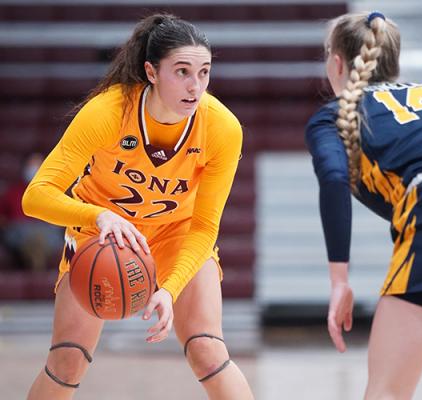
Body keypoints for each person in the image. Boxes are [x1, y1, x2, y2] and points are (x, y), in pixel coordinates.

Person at [22, 13, 254, 400]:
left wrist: (170, 287)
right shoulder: (108, 112)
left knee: (207, 350)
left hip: (176, 235)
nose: (195, 87)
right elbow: (36, 196)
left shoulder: (222, 129)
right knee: (67, 361)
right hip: (101, 237)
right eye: (182, 71)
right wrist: (98, 215)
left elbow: (204, 226)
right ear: (151, 70)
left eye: (204, 72)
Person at [305, 11, 422, 399]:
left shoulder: (333, 117)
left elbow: (334, 179)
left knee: (387, 392)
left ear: (337, 62)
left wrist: (339, 279)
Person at [0, 153, 62, 271]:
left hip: (46, 232)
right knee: (32, 237)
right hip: (19, 231)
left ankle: (33, 263)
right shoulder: (12, 191)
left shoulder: (53, 192)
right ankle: (38, 267)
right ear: (25, 167)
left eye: (39, 165)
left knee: (40, 237)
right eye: (32, 164)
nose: (35, 168)